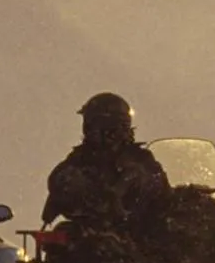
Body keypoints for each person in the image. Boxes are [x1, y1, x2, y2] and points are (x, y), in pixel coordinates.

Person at [40, 93, 173, 232]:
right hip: (96, 236)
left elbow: (160, 188)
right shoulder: (81, 159)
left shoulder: (139, 158)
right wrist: (99, 197)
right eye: (91, 124)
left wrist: (133, 182)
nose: (91, 130)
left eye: (94, 124)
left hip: (139, 236)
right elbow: (59, 181)